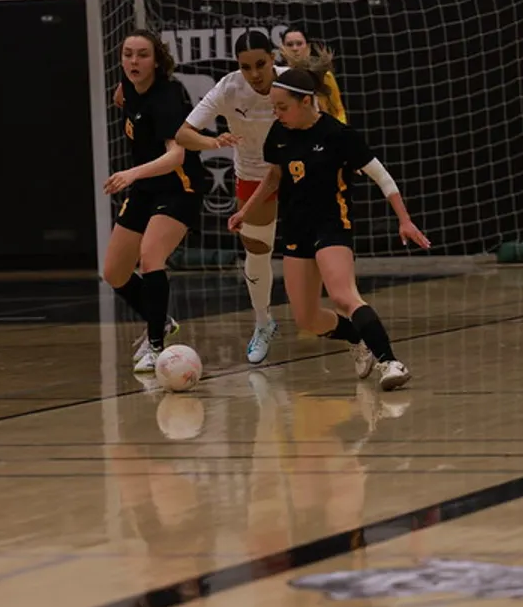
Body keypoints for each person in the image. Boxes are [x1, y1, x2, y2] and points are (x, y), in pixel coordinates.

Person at [228, 59, 430, 390]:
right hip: (295, 229)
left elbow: (382, 176)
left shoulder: (338, 135)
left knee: (343, 296)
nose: (277, 113)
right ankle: (357, 339)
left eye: (282, 107)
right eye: (273, 107)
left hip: (332, 225)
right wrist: (245, 212)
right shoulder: (279, 133)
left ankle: (390, 362)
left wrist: (404, 219)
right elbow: (274, 177)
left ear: (306, 101)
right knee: (306, 318)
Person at [174, 30, 287, 365]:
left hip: (298, 172)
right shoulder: (228, 88)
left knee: (322, 249)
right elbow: (182, 133)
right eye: (246, 66)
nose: (255, 73)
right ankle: (263, 323)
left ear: (273, 59)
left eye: (261, 64)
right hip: (254, 175)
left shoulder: (292, 82)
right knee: (257, 250)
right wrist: (213, 143)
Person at [103, 29, 205, 373]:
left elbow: (177, 156)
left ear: (157, 60)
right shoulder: (127, 87)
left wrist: (131, 174)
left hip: (180, 187)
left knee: (150, 257)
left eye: (142, 55)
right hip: (147, 189)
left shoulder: (167, 97)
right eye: (128, 54)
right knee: (114, 271)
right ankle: (159, 321)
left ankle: (158, 346)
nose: (133, 61)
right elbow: (122, 97)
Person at [280, 25, 348, 123]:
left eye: (299, 44)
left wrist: (340, 131)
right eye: (290, 44)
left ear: (308, 47)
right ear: (282, 48)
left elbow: (338, 109)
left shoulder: (324, 75)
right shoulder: (278, 76)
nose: (295, 48)